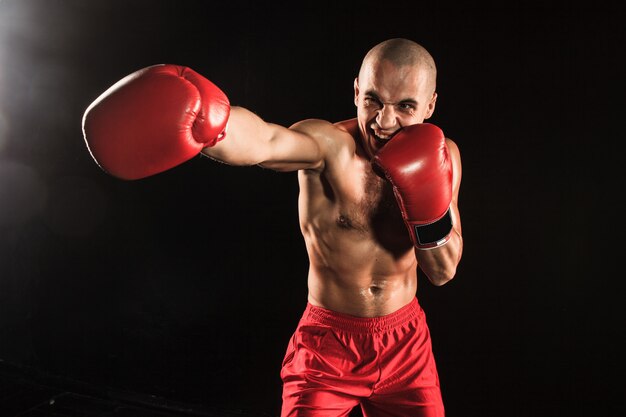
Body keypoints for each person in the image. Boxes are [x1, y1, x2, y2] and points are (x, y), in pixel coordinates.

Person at [82, 38, 463, 417]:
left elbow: (443, 271)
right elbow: (267, 141)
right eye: (373, 100)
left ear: (430, 105)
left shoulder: (445, 157)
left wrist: (426, 200)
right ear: (356, 91)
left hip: (406, 344)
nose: (383, 121)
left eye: (405, 107)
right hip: (329, 345)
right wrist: (213, 126)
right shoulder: (331, 146)